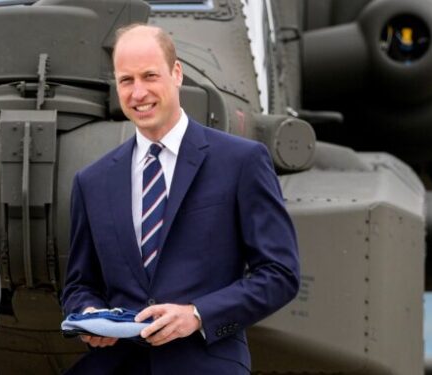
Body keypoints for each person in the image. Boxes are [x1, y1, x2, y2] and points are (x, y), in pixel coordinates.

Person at [61, 24, 300, 374]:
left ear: (176, 73)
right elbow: (80, 285)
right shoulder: (91, 181)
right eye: (126, 80)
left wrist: (197, 315)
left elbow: (280, 273)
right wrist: (90, 316)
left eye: (149, 76)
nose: (138, 92)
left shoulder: (241, 161)